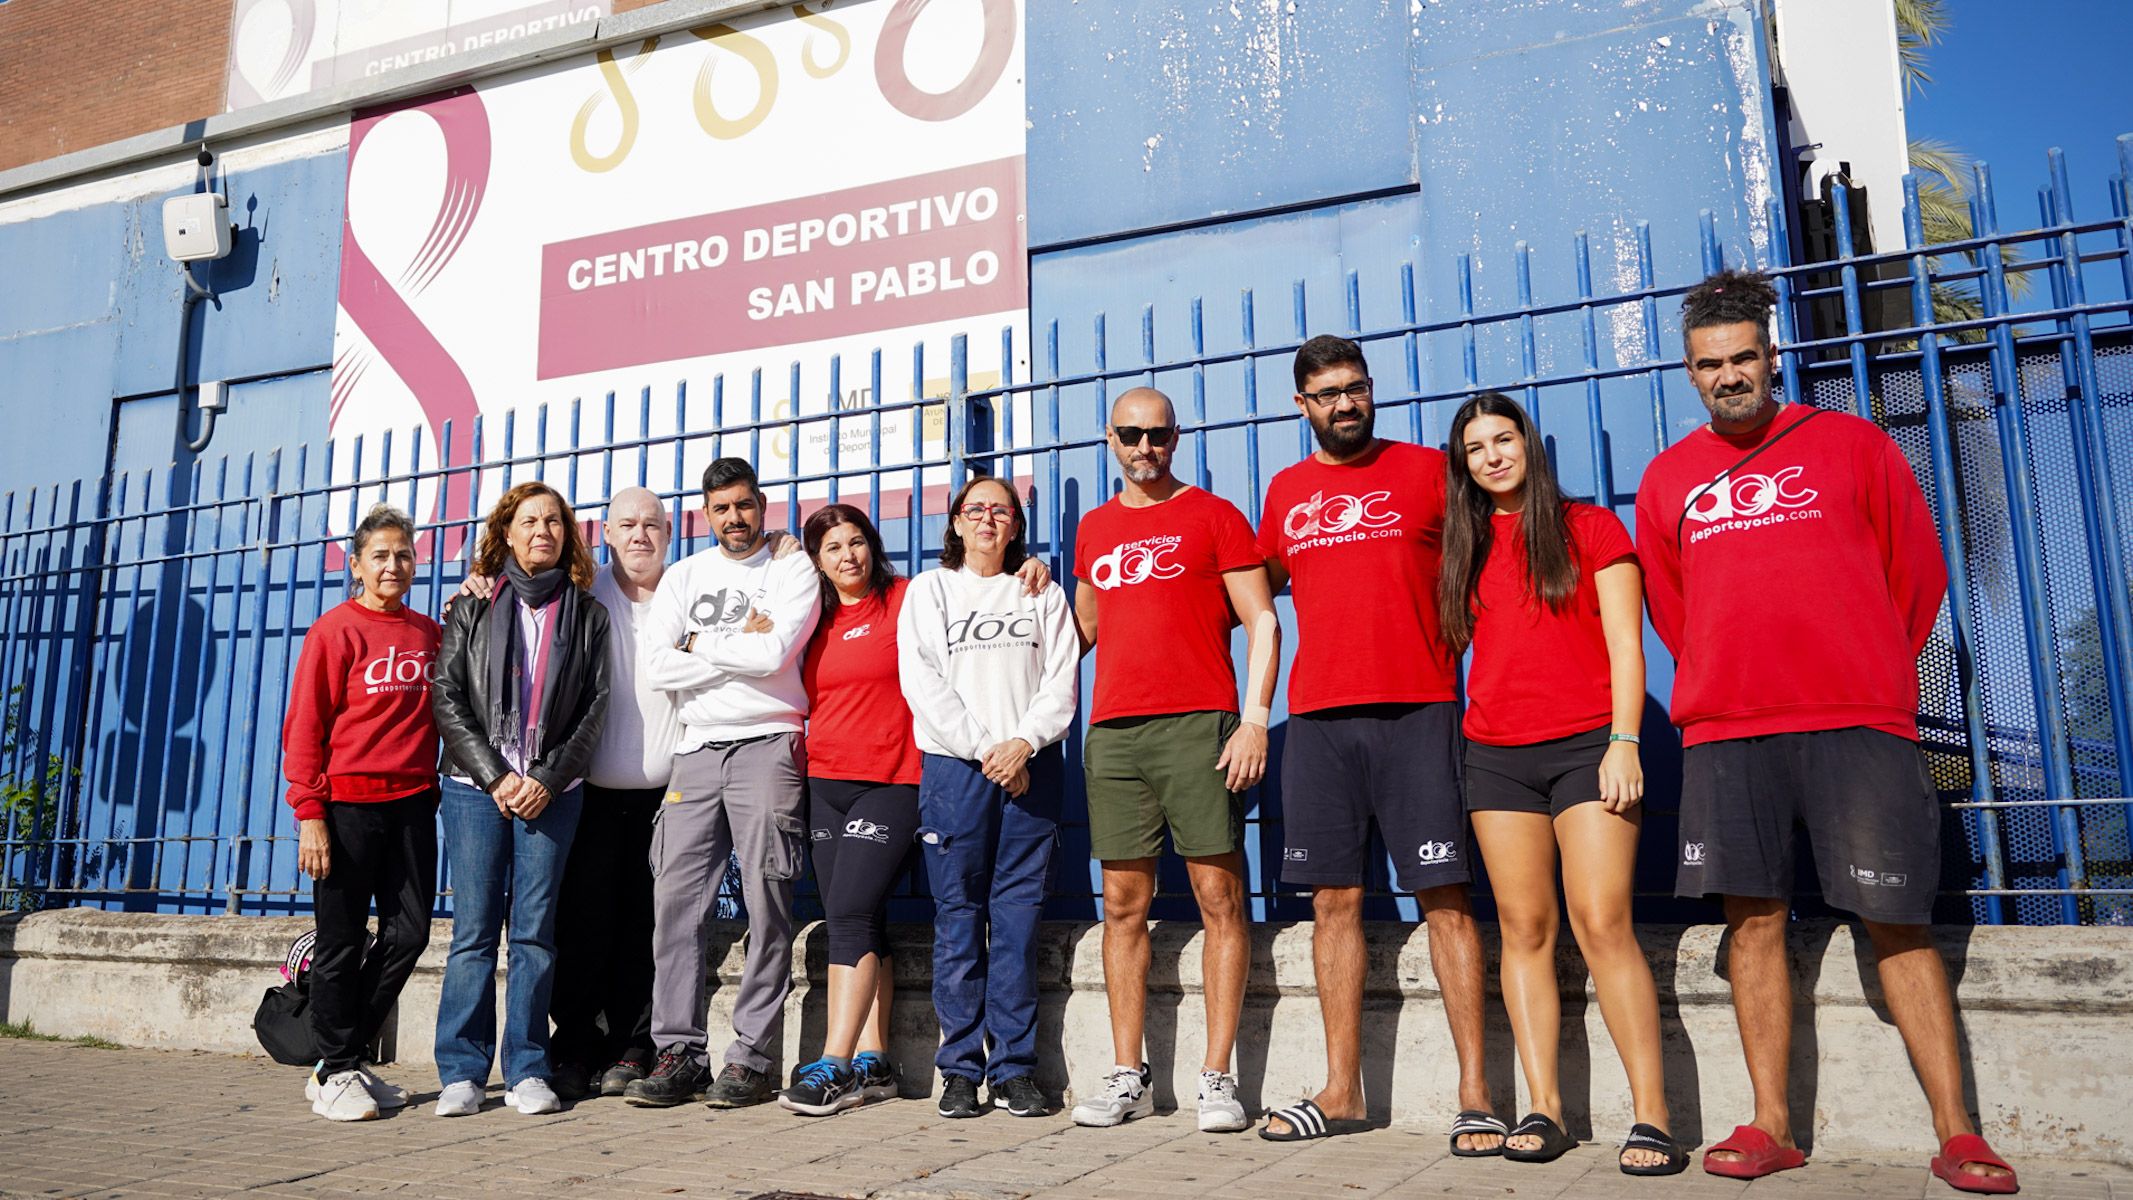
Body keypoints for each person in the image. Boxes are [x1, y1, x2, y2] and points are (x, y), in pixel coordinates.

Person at [1634, 268, 2016, 1194]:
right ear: (1688, 374)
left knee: (1898, 923)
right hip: (1726, 733)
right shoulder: (1667, 478)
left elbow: (1914, 574)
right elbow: (1672, 609)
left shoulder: (1849, 445)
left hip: (1856, 721)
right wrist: (1733, 679)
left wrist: (1865, 669)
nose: (1727, 376)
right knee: (1752, 925)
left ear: (1772, 356)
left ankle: (1957, 1131)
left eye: (1741, 358)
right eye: (1707, 365)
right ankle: (1771, 1125)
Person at [1255, 335, 1498, 1148]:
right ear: (1302, 407)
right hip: (1321, 719)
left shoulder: (1429, 471)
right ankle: (1342, 1090)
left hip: (1418, 710)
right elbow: (1248, 589)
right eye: (1326, 394)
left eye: (1355, 388)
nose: (1345, 404)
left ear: (1370, 391)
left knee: (1446, 901)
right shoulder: (1285, 490)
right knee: (1333, 903)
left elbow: (1486, 564)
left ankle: (1475, 1095)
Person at [1439, 392, 1681, 1174]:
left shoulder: (1588, 528)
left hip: (1589, 748)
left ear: (1527, 444)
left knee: (1602, 919)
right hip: (1495, 754)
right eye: (1475, 449)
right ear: (1463, 465)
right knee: (1523, 929)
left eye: (1502, 440)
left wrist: (1623, 741)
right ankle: (1543, 1107)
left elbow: (1624, 644)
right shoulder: (1462, 543)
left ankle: (1652, 1116)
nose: (1492, 457)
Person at [779, 503, 1050, 1117]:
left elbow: (978, 596)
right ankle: (877, 1061)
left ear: (873, 546)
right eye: (832, 549)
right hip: (825, 779)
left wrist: (1027, 568)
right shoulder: (810, 618)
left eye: (856, 542)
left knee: (846, 912)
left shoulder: (910, 596)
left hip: (894, 778)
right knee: (860, 914)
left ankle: (835, 1064)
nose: (848, 556)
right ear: (818, 563)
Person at [1066, 387, 1278, 1135]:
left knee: (1219, 900)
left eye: (1156, 434)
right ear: (1109, 439)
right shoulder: (1092, 529)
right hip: (1115, 734)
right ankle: (1129, 1075)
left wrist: (1253, 721)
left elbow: (1263, 619)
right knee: (1123, 907)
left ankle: (1217, 1079)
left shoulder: (1214, 515)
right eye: (1130, 434)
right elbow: (1080, 631)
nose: (1143, 446)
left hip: (1201, 727)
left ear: (1176, 437)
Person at [630, 457, 823, 1109]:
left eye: (743, 505)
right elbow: (657, 666)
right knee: (674, 906)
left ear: (760, 504)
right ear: (705, 514)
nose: (733, 518)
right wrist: (725, 647)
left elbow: (774, 655)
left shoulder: (791, 567)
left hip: (768, 745)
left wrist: (696, 647)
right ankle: (679, 1052)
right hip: (695, 753)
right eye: (721, 508)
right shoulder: (684, 574)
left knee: (769, 903)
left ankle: (751, 1057)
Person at [897, 475, 1078, 1119]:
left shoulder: (1043, 592)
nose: (988, 520)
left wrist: (1024, 743)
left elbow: (1061, 680)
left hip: (1031, 768)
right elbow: (922, 680)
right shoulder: (930, 590)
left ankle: (1014, 1069)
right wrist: (988, 752)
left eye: (1001, 511)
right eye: (975, 510)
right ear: (954, 523)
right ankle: (960, 1069)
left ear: (1015, 524)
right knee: (957, 919)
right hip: (958, 772)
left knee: (1018, 921)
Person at [430, 481, 613, 1116]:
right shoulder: (472, 605)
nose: (544, 531)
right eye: (530, 521)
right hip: (475, 789)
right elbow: (446, 697)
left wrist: (547, 778)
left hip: (551, 792)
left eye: (555, 522)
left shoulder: (588, 614)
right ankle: (462, 1072)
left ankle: (529, 1066)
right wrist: (496, 776)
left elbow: (596, 706)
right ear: (506, 532)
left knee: (535, 934)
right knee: (474, 932)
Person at [280, 503, 441, 1122]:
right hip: (345, 808)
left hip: (410, 806)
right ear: (357, 565)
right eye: (381, 555)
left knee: (410, 933)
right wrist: (310, 813)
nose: (394, 565)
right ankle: (335, 1067)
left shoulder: (428, 634)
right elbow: (305, 729)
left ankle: (339, 1060)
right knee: (341, 943)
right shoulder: (335, 631)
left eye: (403, 554)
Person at [547, 487, 683, 1100]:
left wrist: (785, 543)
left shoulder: (690, 594)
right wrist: (475, 580)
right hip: (590, 793)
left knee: (648, 927)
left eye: (651, 524)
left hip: (668, 794)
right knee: (584, 925)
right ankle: (574, 1046)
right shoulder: (581, 595)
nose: (639, 535)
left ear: (670, 530)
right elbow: (512, 591)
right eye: (627, 524)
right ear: (605, 532)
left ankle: (632, 1047)